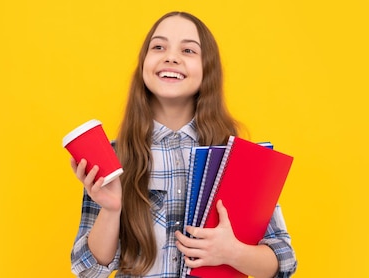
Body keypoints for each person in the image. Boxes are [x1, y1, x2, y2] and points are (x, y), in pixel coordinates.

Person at [69, 11, 297, 278]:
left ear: (207, 69)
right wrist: (111, 209)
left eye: (188, 50)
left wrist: (232, 252)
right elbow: (88, 270)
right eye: (158, 47)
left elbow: (284, 262)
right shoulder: (114, 155)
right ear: (144, 63)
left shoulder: (238, 159)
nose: (171, 57)